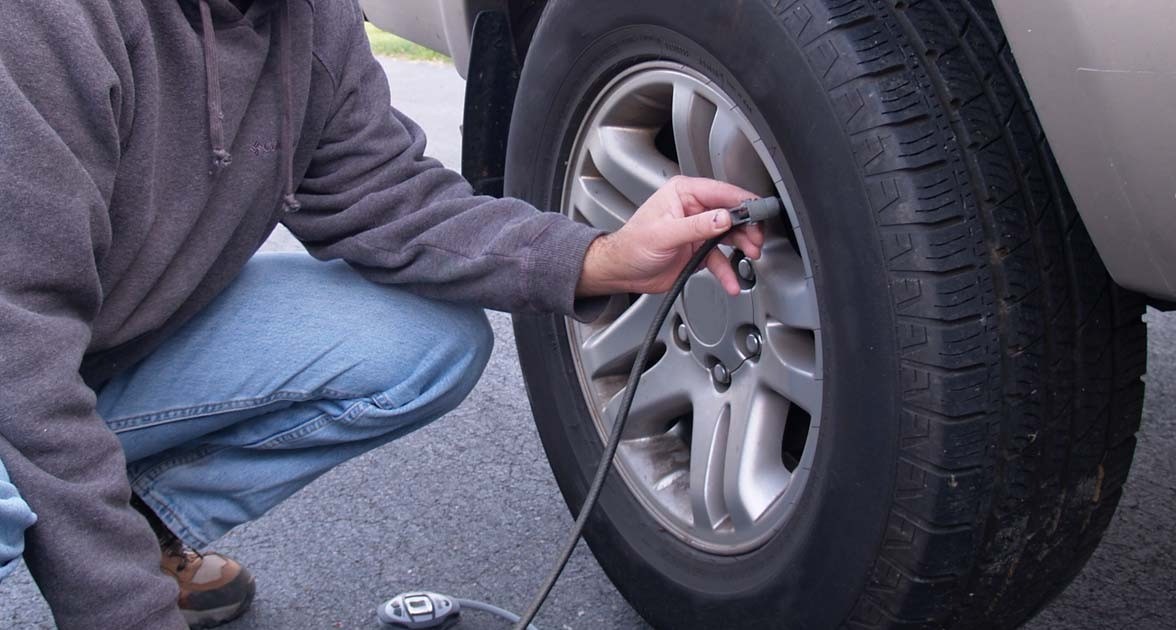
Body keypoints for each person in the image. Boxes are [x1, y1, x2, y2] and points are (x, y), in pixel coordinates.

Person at [0, 1, 765, 628]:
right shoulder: (47, 23)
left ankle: (133, 525)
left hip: (93, 353)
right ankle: (86, 540)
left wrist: (604, 257)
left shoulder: (306, 21)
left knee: (421, 342)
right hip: (17, 367)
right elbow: (18, 359)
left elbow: (389, 197)